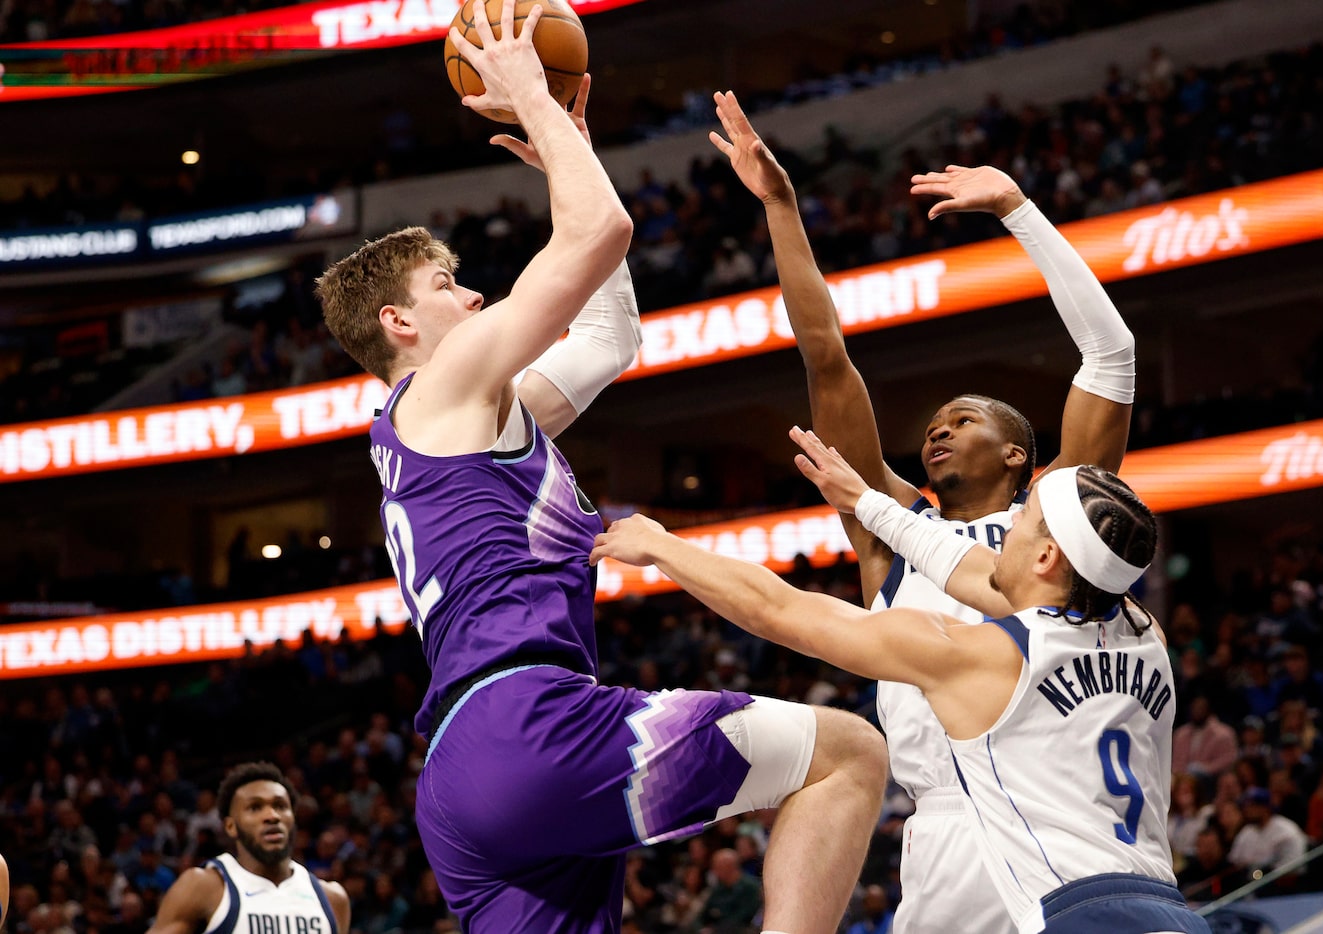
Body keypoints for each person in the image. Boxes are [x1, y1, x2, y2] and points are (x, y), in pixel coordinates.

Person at [315, 8, 887, 931]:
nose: (470, 293)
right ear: (397, 325)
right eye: (444, 285)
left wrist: (569, 144)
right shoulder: (448, 379)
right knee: (849, 754)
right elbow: (598, 235)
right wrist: (537, 99)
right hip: (531, 721)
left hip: (462, 777)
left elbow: (610, 335)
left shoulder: (465, 421)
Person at [709, 91, 1136, 933]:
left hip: (1061, 806)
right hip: (946, 820)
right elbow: (825, 355)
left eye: (966, 418)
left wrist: (1018, 209)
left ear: (1019, 454)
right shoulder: (885, 524)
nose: (939, 428)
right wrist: (781, 209)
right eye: (934, 424)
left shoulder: (1058, 515)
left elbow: (1110, 355)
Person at [592, 446, 1210, 934]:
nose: (1007, 526)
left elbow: (780, 610)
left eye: (1024, 519)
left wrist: (663, 546)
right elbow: (975, 573)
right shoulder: (1144, 632)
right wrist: (870, 504)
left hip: (1080, 914)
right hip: (1170, 909)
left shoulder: (980, 656)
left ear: (1047, 556)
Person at [148, 762, 350, 934]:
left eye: (280, 806)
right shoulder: (203, 887)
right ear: (230, 826)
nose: (272, 816)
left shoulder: (332, 899)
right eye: (255, 807)